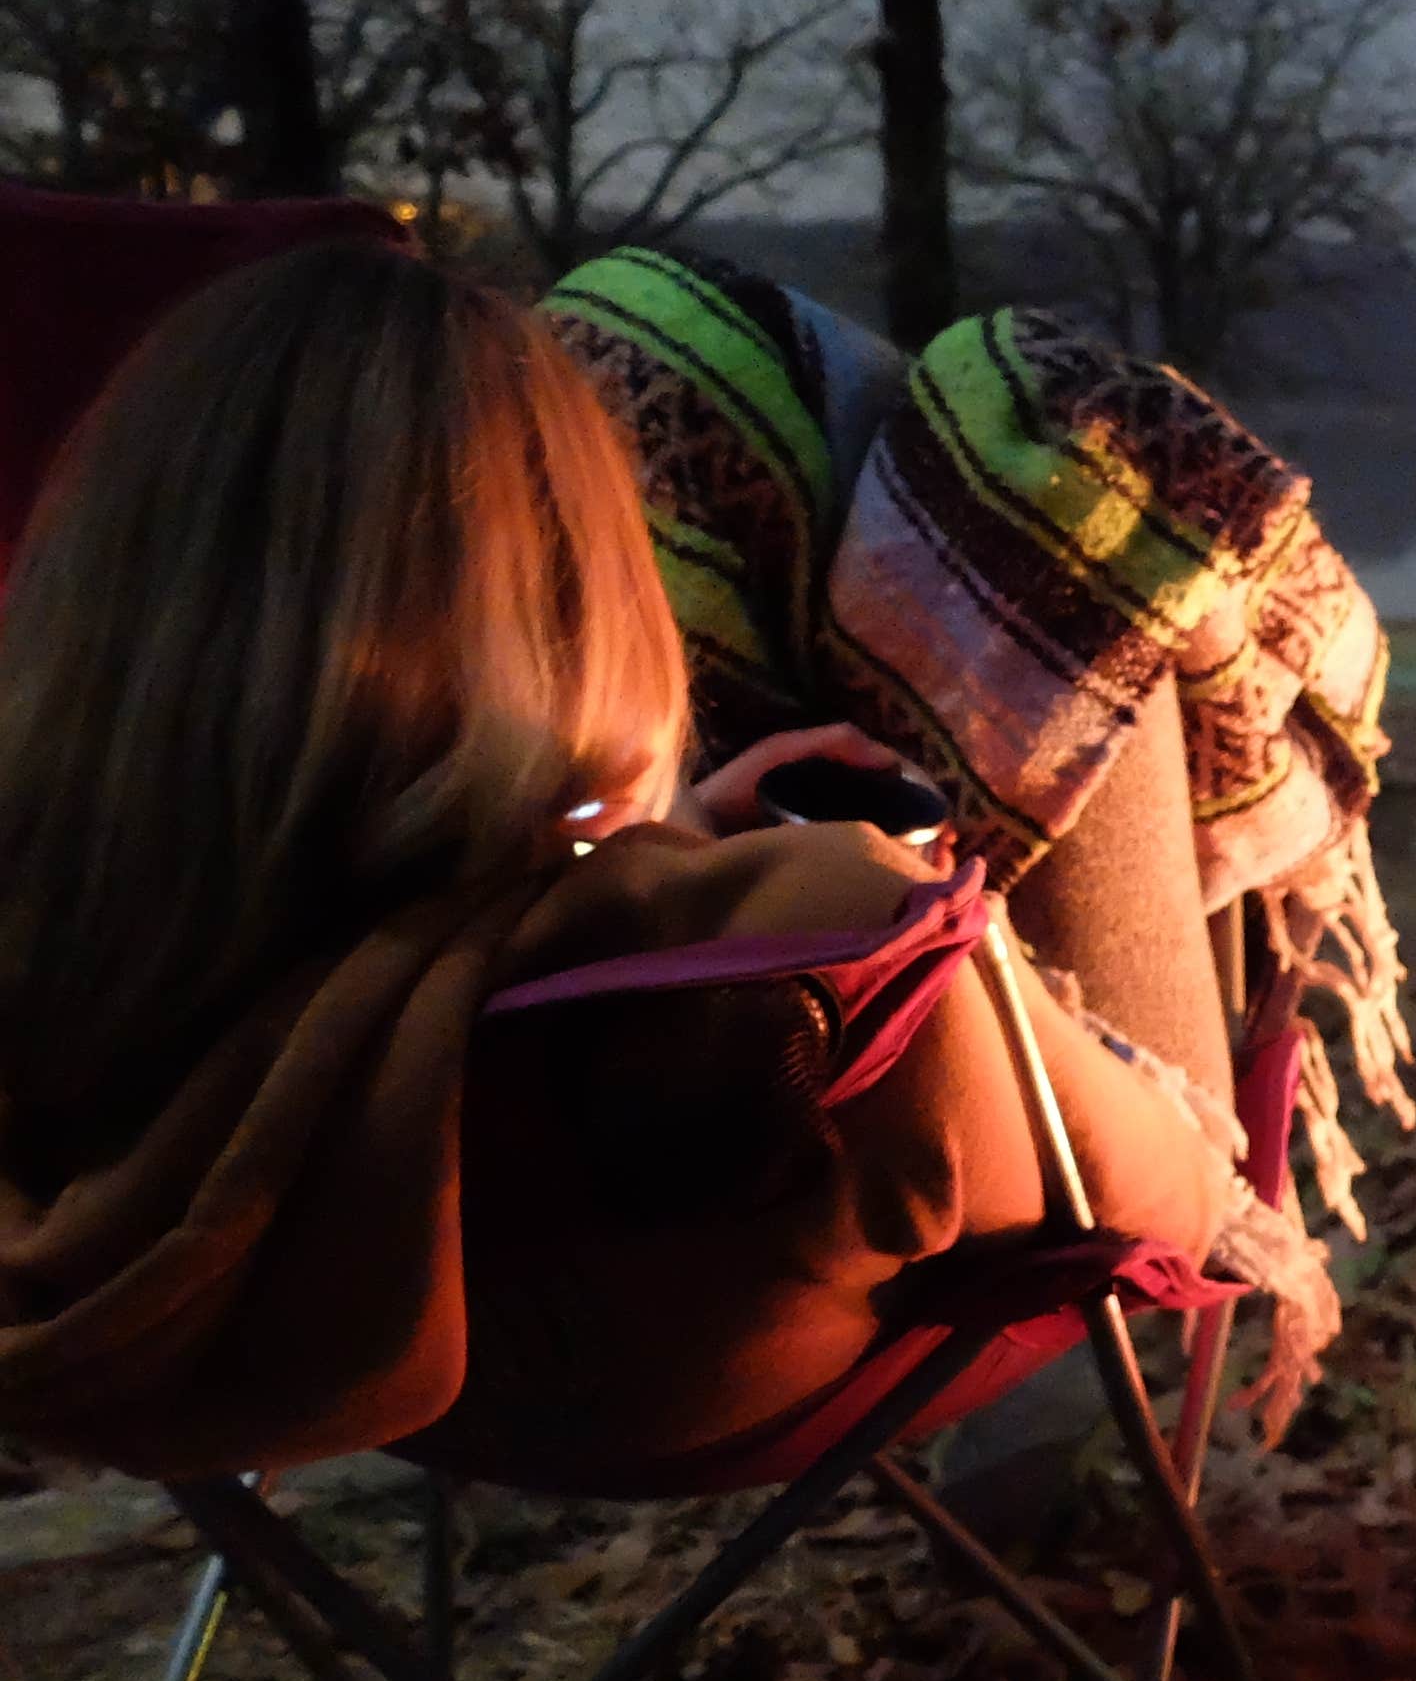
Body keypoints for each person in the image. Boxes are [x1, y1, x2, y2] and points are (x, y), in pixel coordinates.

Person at [0, 244, 1311, 1488]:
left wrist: (657, 848)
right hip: (664, 1383)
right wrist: (787, 909)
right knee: (1090, 492)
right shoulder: (804, 961)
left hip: (350, 1396)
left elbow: (338, 886)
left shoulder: (61, 947)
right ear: (581, 598)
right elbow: (1161, 1199)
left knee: (695, 337)